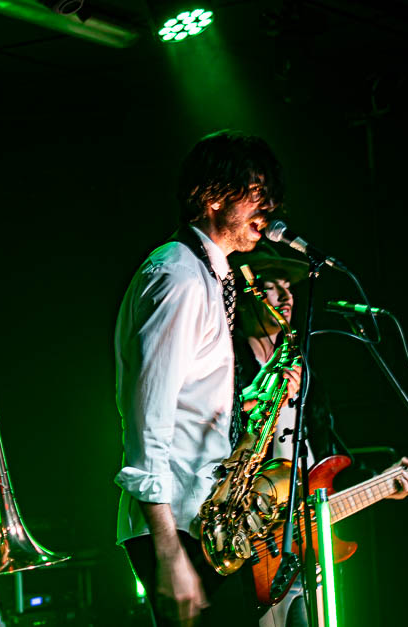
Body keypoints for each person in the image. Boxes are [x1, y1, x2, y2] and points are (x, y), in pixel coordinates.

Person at [114, 130, 297, 626]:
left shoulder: (212, 275)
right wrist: (168, 552)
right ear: (213, 196)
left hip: (208, 522)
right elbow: (148, 422)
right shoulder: (177, 275)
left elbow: (193, 402)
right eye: (256, 193)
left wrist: (255, 400)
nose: (268, 208)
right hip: (178, 525)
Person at [229, 243, 408, 627]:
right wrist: (253, 397)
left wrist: (383, 480)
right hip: (254, 543)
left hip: (307, 541)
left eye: (289, 287)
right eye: (272, 286)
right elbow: (213, 429)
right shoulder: (227, 362)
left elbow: (327, 452)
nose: (286, 297)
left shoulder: (306, 372)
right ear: (248, 295)